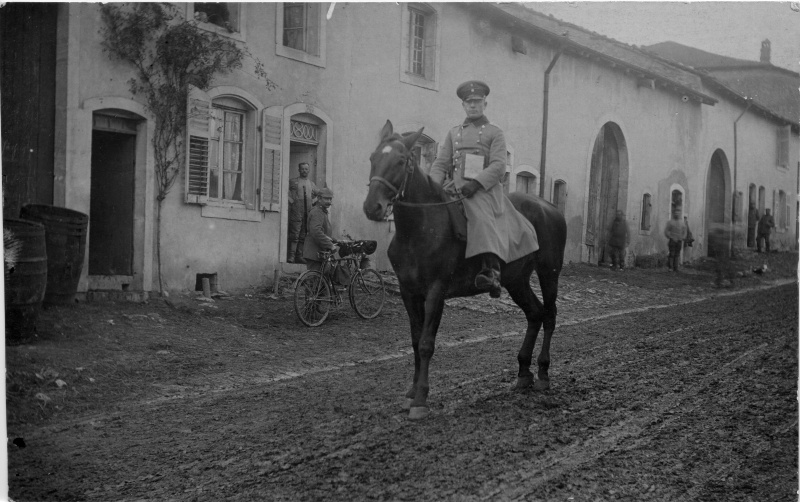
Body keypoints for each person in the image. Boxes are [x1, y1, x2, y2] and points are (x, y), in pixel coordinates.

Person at [429, 80, 538, 298]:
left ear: (485, 104)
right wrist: (432, 186)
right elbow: (441, 163)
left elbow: (498, 166)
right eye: (468, 102)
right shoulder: (453, 133)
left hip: (483, 190)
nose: (473, 106)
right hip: (455, 187)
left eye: (477, 102)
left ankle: (491, 270)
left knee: (479, 215)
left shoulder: (494, 132)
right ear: (463, 105)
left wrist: (477, 183)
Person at [287, 162, 317, 263]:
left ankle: (299, 256)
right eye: (302, 169)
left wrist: (313, 202)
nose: (304, 171)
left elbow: (319, 194)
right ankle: (291, 256)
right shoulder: (293, 181)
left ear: (309, 170)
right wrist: (291, 200)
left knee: (303, 234)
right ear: (299, 170)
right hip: (296, 211)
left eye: (306, 169)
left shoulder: (312, 184)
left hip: (307, 212)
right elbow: (284, 191)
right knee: (295, 234)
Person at [302, 187, 337, 272]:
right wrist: (330, 245)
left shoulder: (322, 211)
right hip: (315, 252)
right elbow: (316, 231)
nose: (329, 201)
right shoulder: (318, 212)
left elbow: (322, 231)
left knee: (321, 282)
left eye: (330, 199)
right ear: (319, 199)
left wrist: (333, 240)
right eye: (326, 198)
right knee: (316, 282)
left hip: (319, 252)